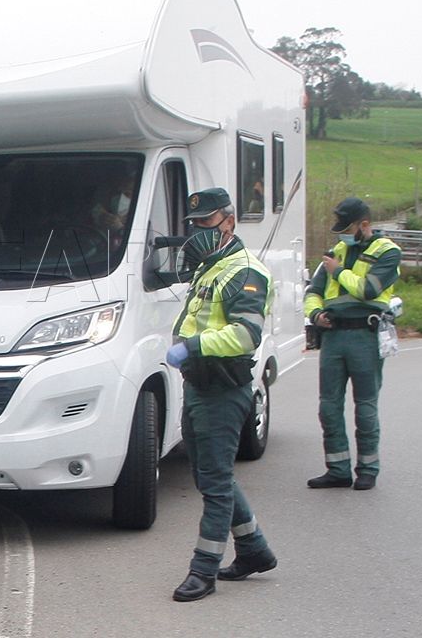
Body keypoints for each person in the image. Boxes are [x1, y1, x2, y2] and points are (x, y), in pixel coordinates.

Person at [164, 187, 277, 602]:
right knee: (213, 476)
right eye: (193, 224)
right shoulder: (211, 268)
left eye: (207, 223)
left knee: (214, 484)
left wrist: (190, 347)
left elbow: (246, 335)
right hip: (199, 386)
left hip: (223, 390)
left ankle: (203, 571)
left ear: (229, 221)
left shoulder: (246, 271)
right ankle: (254, 551)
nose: (198, 231)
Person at [303, 197, 401, 492]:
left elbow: (368, 288)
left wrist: (337, 271)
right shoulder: (338, 251)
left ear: (365, 225)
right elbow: (312, 291)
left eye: (348, 228)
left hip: (365, 336)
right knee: (328, 407)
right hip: (332, 336)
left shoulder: (388, 252)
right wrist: (315, 314)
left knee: (365, 407)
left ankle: (368, 469)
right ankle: (338, 469)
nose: (343, 235)